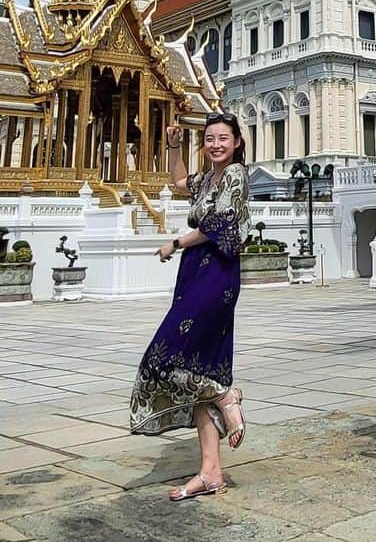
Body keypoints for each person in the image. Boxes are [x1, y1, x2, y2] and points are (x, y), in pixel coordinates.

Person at [129, 113, 251, 501]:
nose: (216, 144)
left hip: (217, 270)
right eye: (210, 139)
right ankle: (210, 471)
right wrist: (173, 144)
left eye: (223, 138)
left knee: (162, 357)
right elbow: (178, 181)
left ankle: (224, 395)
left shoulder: (234, 175)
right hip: (195, 272)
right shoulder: (208, 178)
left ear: (236, 142)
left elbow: (216, 225)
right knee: (199, 363)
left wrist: (175, 243)